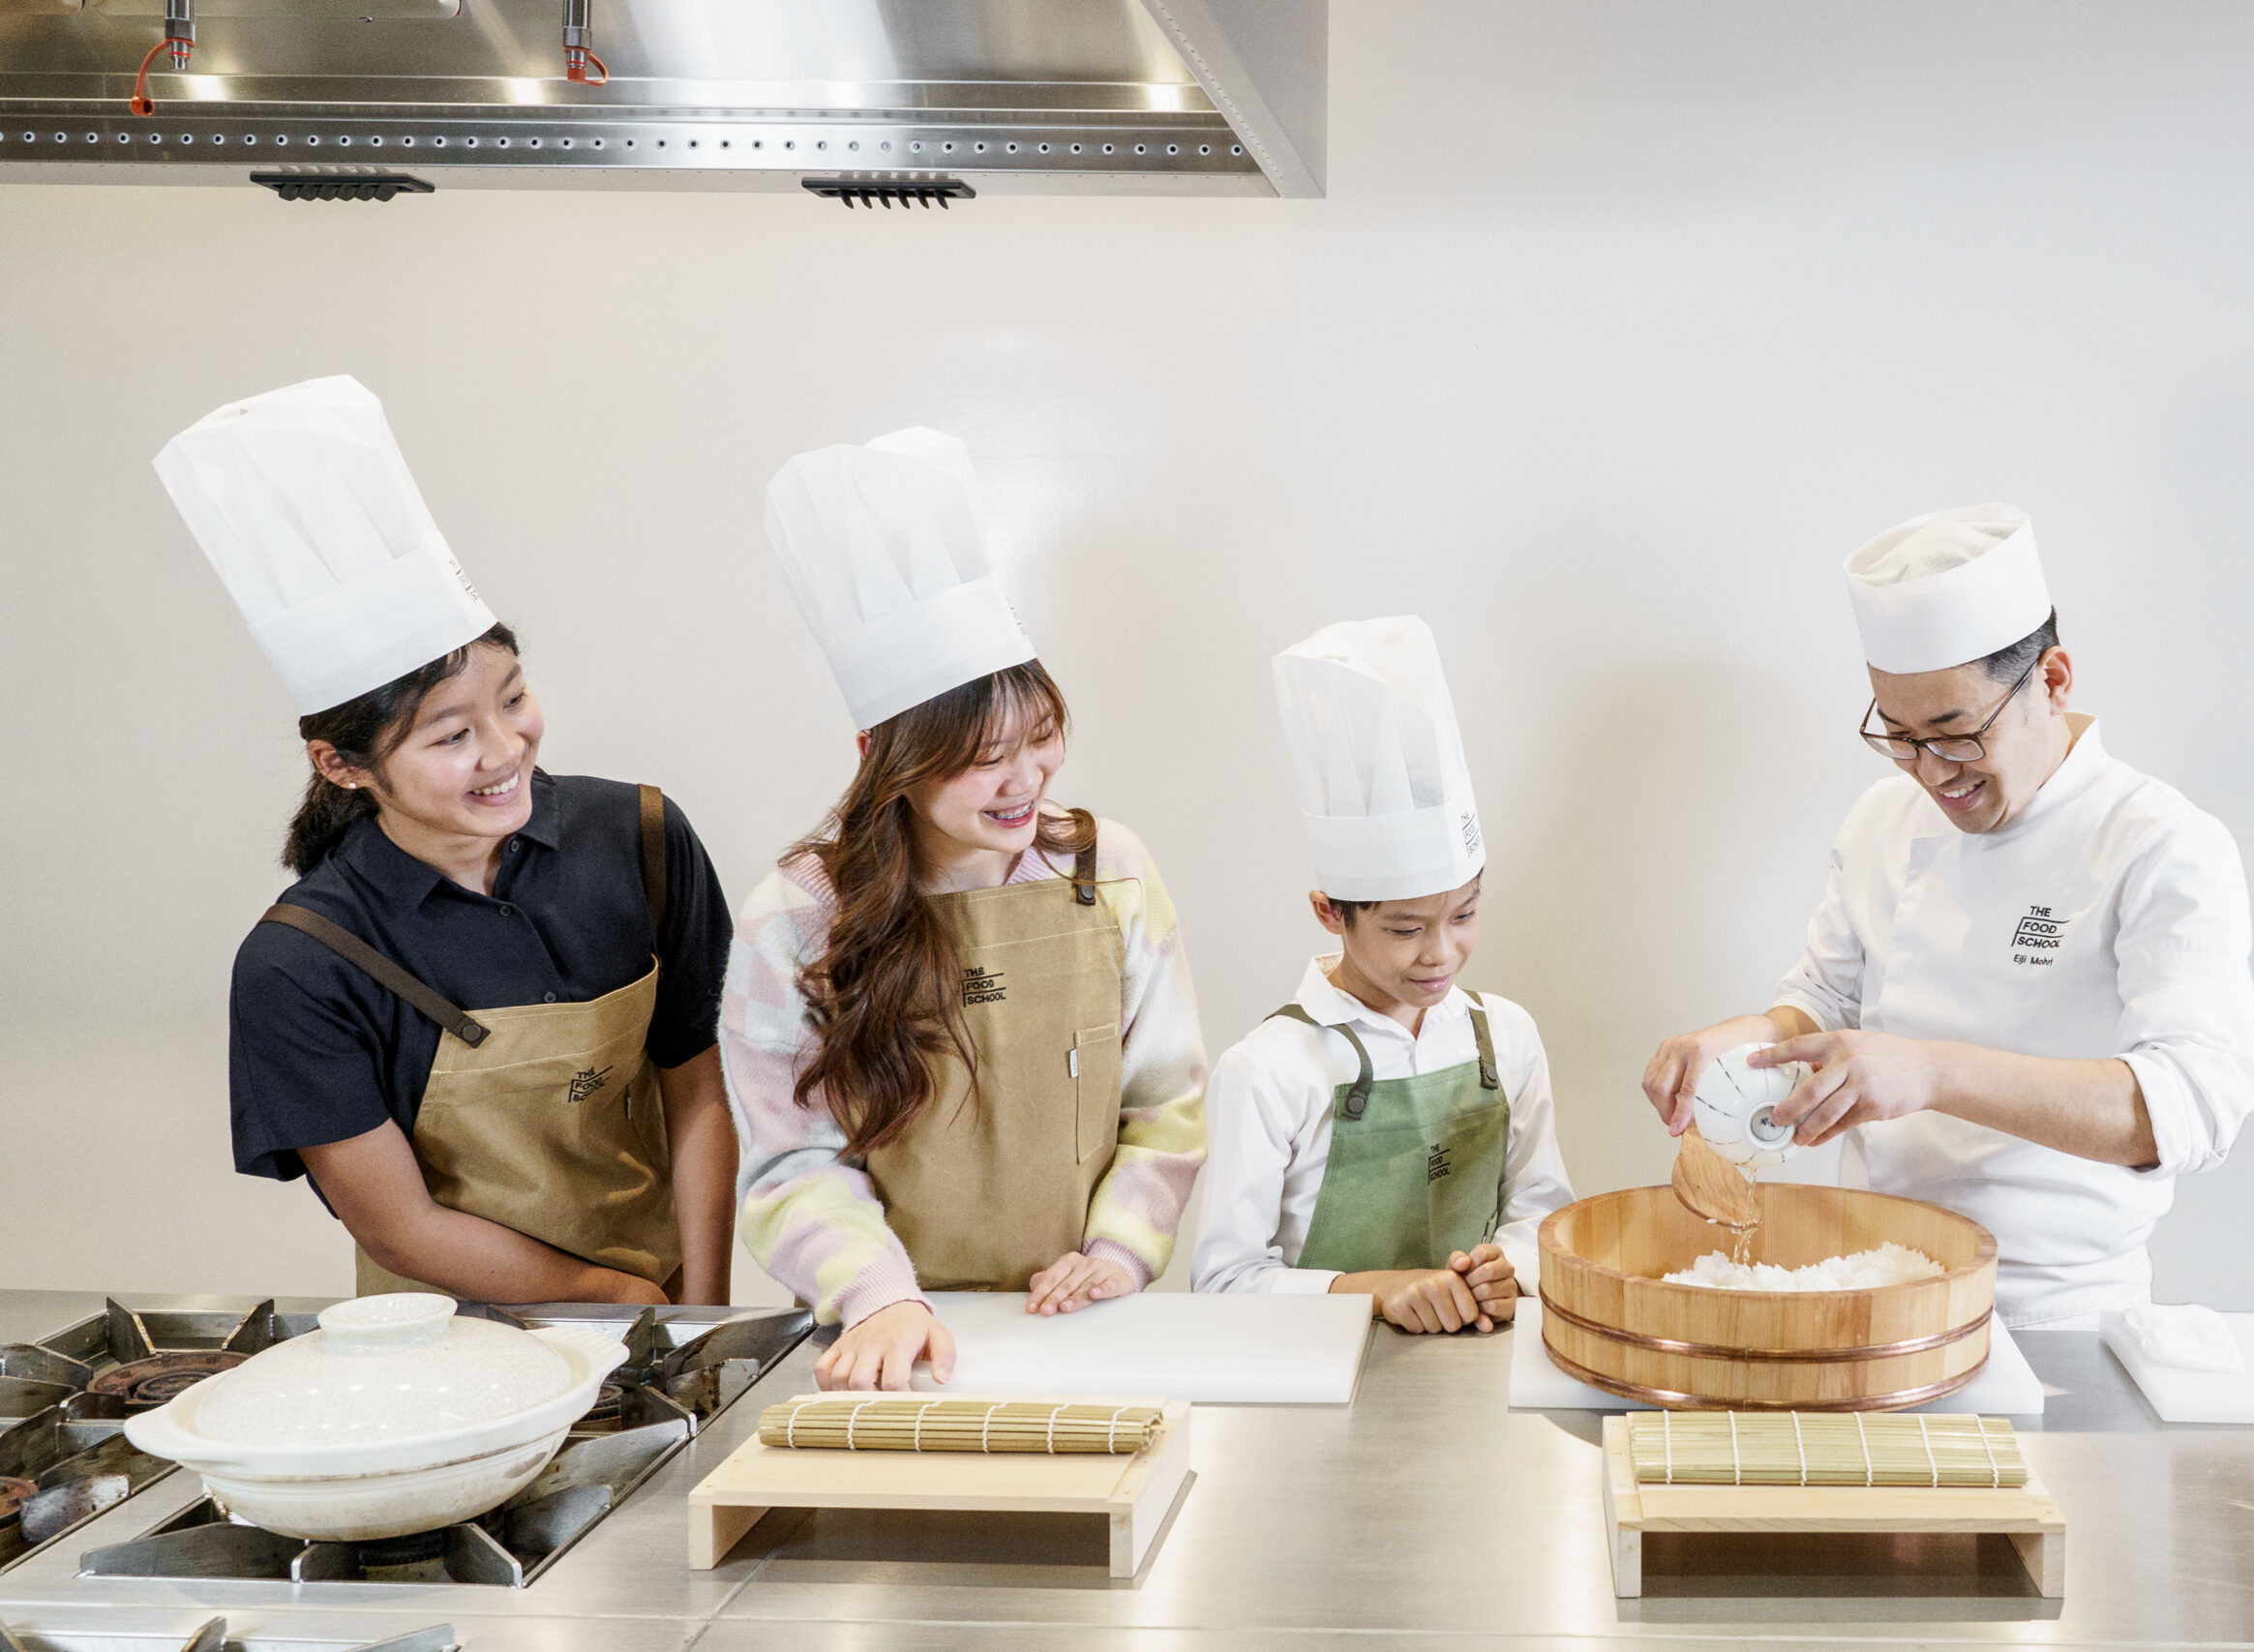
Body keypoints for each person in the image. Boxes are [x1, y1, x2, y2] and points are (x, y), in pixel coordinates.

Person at [162, 375, 738, 1304]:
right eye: (450, 735)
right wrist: (614, 1299)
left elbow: (696, 1089)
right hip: (443, 1349)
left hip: (660, 1310)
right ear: (342, 764)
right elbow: (400, 1226)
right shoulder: (298, 965)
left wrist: (700, 1314)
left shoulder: (641, 837)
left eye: (511, 698)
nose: (506, 750)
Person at [1641, 503, 2254, 1327]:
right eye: (1898, 735)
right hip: (1870, 1288)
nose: (1932, 773)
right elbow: (1823, 1003)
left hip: (2057, 1316)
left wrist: (1932, 1072)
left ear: (2052, 680)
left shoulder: (2161, 844)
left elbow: (2188, 1105)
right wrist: (1747, 1040)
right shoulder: (1880, 820)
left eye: (1955, 731)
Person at [723, 426, 1208, 1391]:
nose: (1026, 778)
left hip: (1082, 1320)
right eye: (984, 758)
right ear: (885, 760)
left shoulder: (1108, 871)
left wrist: (1117, 1252)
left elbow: (1165, 1105)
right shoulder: (793, 919)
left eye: (1039, 735)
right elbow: (790, 1161)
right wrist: (878, 1294)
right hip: (894, 1338)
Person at [1190, 616, 1573, 1334]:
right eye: (1405, 928)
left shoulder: (1506, 1035)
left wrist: (1509, 1268)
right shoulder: (1269, 1067)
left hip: (1475, 1374)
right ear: (1330, 912)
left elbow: (1545, 1217)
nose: (1440, 952)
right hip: (1308, 1391)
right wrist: (1377, 1289)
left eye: (1463, 915)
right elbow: (1224, 1283)